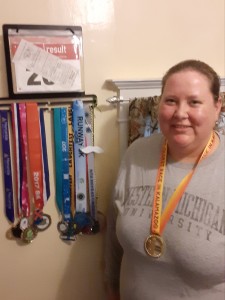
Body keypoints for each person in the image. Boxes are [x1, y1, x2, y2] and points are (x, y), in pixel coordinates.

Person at [105, 59, 225, 300]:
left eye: (194, 102)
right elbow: (113, 238)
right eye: (171, 101)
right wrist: (111, 288)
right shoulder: (136, 153)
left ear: (217, 106)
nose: (180, 113)